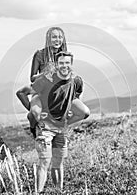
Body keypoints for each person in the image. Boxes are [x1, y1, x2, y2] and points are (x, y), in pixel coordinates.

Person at [16, 51, 90, 193]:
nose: (64, 66)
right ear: (56, 64)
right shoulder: (46, 79)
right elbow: (21, 92)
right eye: (61, 63)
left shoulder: (76, 80)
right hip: (45, 129)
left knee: (58, 163)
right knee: (44, 162)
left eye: (67, 63)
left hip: (61, 128)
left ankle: (59, 192)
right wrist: (33, 111)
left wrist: (69, 113)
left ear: (71, 64)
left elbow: (77, 96)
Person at [17, 27, 89, 138]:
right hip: (42, 91)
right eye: (54, 37)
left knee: (85, 112)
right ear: (48, 39)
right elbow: (32, 78)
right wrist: (47, 72)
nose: (57, 40)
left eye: (60, 37)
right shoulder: (40, 54)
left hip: (62, 93)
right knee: (34, 114)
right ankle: (33, 125)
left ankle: (61, 127)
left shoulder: (64, 55)